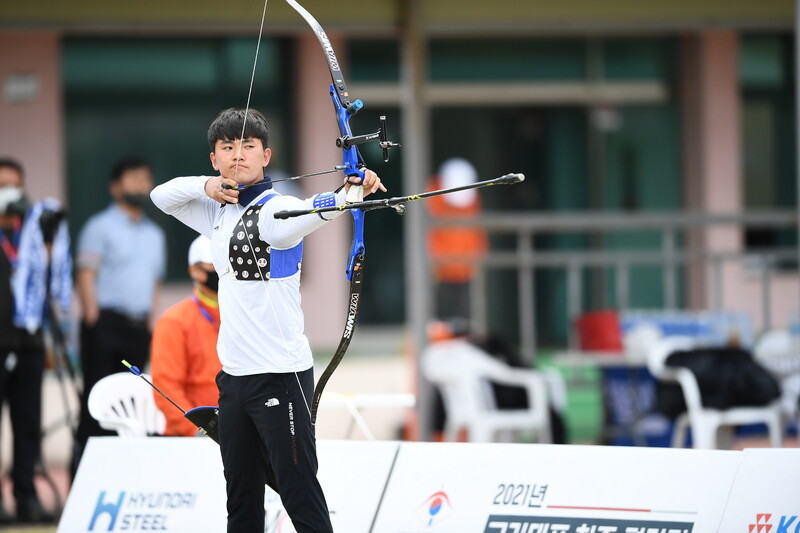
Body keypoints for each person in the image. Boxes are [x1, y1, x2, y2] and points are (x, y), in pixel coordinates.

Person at [150, 107, 385, 533]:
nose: (237, 155)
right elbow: (160, 196)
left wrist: (353, 190)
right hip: (235, 380)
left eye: (247, 146)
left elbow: (317, 208)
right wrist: (207, 187)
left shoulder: (278, 210)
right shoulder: (215, 211)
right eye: (227, 148)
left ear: (266, 155)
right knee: (240, 498)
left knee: (298, 492)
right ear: (214, 159)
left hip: (280, 375)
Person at [73, 156, 166, 471]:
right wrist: (92, 318)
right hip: (105, 325)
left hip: (138, 330)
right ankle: (85, 474)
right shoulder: (99, 227)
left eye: (145, 178)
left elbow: (155, 283)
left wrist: (151, 323)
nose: (141, 184)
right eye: (133, 178)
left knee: (133, 404)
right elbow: (86, 274)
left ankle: (124, 474)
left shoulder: (156, 235)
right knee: (97, 402)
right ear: (115, 187)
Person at [0, 158, 70, 524]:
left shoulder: (33, 231)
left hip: (29, 342)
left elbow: (52, 282)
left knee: (27, 423)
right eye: (2, 187)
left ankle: (25, 497)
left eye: (14, 186)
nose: (9, 194)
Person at [150, 235, 222, 436]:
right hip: (191, 438)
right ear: (195, 271)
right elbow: (166, 390)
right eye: (214, 265)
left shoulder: (244, 315)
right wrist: (199, 430)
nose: (222, 271)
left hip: (238, 431)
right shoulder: (175, 321)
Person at [425, 158, 488, 321]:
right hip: (441, 270)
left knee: (466, 313)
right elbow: (431, 235)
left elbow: (475, 231)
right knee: (438, 314)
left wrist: (477, 257)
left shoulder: (472, 200)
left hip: (466, 269)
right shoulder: (433, 196)